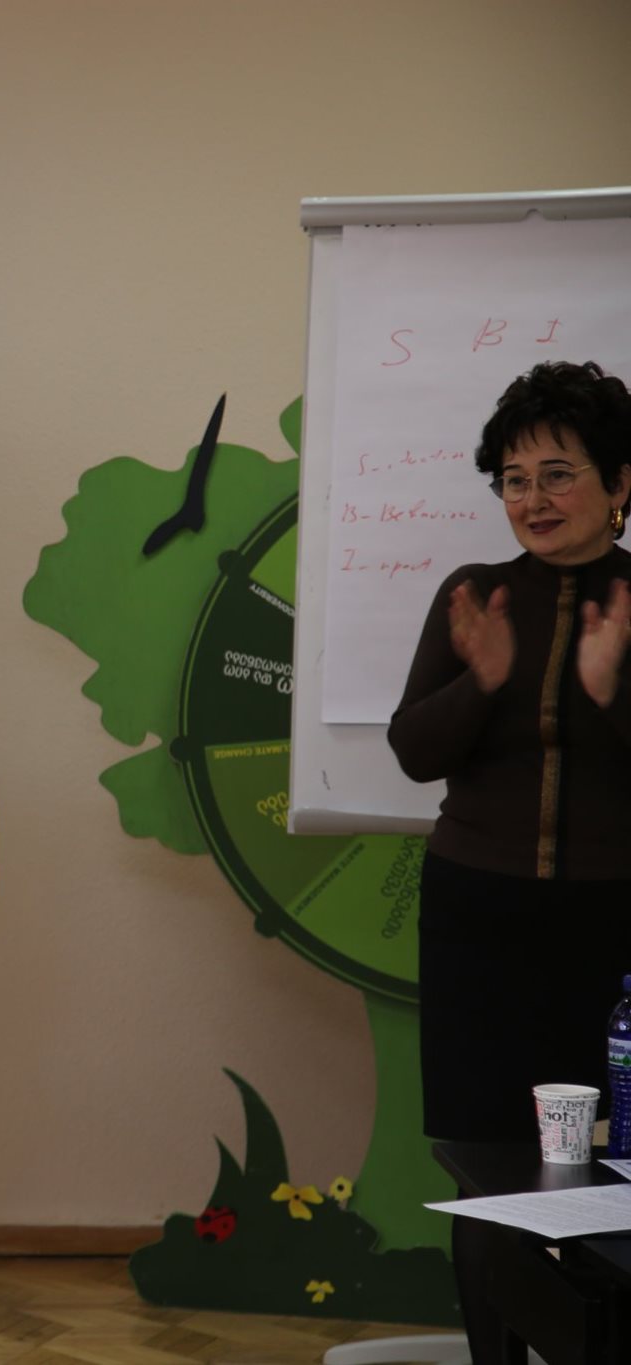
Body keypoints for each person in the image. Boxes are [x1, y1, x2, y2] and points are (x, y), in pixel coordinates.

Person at [387, 359, 631, 1358]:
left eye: (558, 474)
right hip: (477, 921)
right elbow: (414, 751)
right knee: (485, 1169)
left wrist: (612, 693)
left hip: (609, 928)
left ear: (619, 484)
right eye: (514, 479)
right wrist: (481, 681)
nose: (532, 499)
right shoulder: (474, 595)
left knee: (602, 1172)